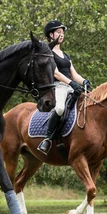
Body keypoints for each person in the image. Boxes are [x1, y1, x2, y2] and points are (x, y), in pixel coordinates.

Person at [37, 20, 90, 155]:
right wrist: (71, 83)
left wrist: (84, 81)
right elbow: (55, 73)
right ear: (51, 34)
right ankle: (47, 139)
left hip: (70, 86)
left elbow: (74, 74)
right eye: (58, 32)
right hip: (58, 86)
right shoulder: (48, 52)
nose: (61, 35)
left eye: (62, 33)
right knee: (60, 108)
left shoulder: (65, 55)